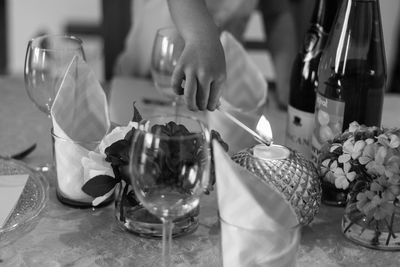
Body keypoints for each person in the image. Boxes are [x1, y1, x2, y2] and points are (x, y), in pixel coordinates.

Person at [115, 0, 296, 110]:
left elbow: (277, 12)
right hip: (146, 78)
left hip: (218, 92)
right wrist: (202, 40)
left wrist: (288, 83)